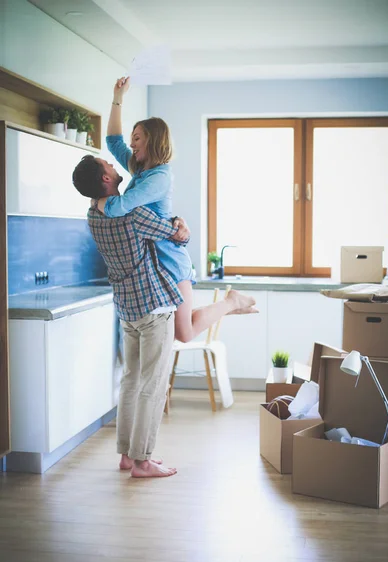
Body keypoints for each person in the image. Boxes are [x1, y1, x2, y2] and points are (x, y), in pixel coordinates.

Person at [95, 76, 258, 343]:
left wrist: (97, 203)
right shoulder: (140, 170)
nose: (132, 144)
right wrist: (118, 98)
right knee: (177, 327)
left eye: (137, 138)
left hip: (170, 260)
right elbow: (113, 141)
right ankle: (228, 305)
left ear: (153, 140)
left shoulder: (159, 176)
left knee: (183, 333)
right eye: (133, 138)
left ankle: (230, 302)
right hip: (155, 264)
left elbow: (121, 207)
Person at [73, 154, 190, 479]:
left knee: (130, 380)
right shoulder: (133, 215)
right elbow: (175, 235)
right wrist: (182, 223)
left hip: (127, 307)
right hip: (153, 305)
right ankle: (142, 460)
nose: (113, 163)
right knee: (153, 384)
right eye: (107, 164)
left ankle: (126, 454)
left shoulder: (91, 215)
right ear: (106, 179)